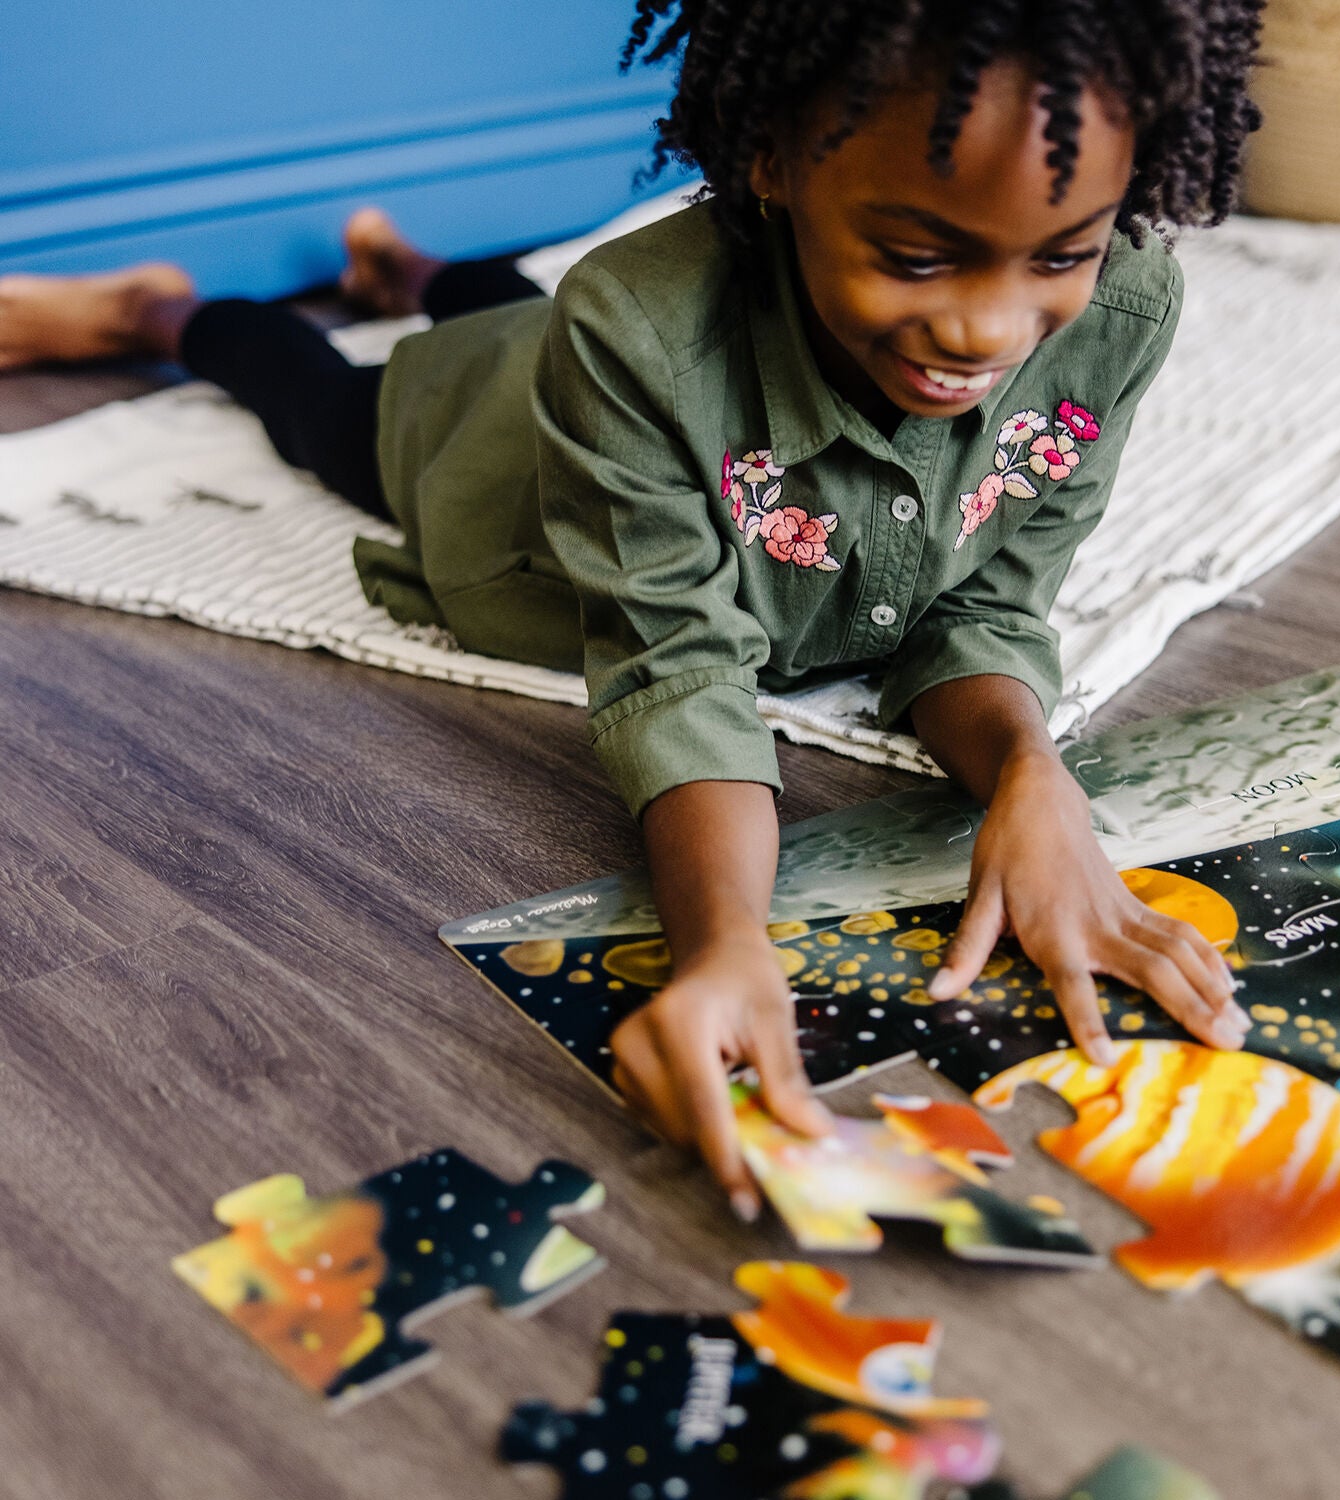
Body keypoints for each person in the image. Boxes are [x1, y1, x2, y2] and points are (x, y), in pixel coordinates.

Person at [0, 1, 1265, 1221]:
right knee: (332, 409)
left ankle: (417, 267)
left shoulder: (1128, 305)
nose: (989, 328)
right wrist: (723, 944)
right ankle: (154, 307)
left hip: (590, 342)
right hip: (505, 458)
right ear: (769, 160)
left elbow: (987, 602)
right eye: (915, 255)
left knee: (519, 302)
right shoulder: (637, 324)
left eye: (1062, 255)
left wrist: (1027, 774)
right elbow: (680, 663)